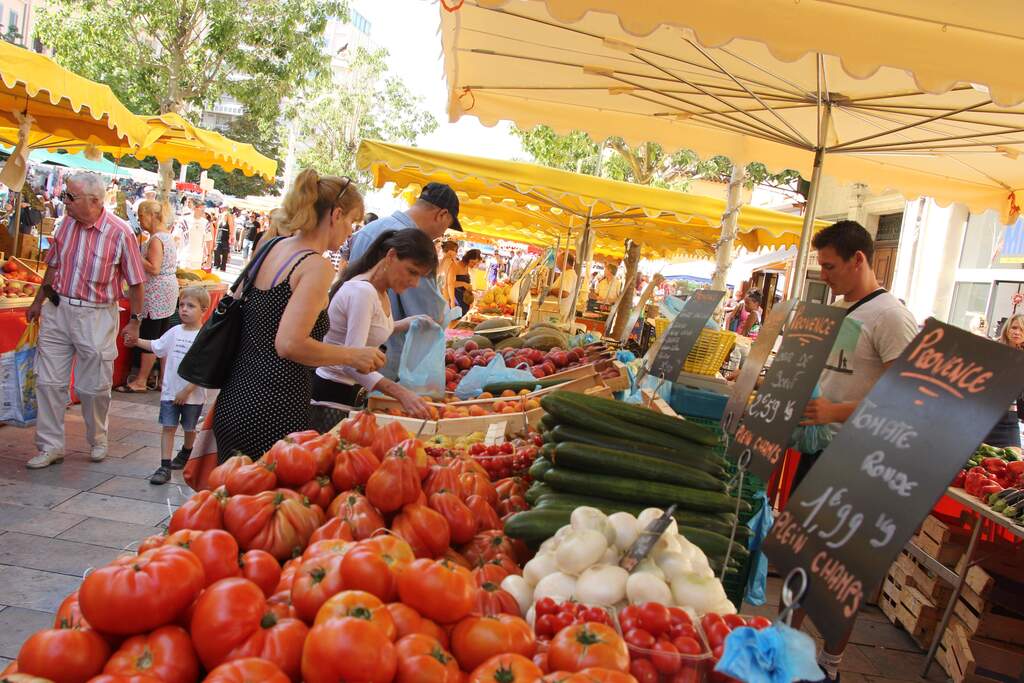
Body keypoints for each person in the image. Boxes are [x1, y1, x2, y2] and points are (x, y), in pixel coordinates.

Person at [798, 219, 918, 682]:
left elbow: (905, 396)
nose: (823, 275)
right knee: (800, 554)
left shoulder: (891, 316)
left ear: (859, 259)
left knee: (839, 569)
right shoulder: (843, 310)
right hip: (818, 451)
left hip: (859, 463)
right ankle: (785, 642)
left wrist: (837, 412)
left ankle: (831, 664)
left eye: (829, 266)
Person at [211, 169, 385, 461]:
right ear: (336, 215)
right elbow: (290, 344)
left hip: (236, 396)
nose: (350, 232)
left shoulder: (274, 246)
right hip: (275, 406)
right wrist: (353, 355)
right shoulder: (315, 266)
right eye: (352, 222)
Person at [25, 172, 146, 469]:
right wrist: (38, 301)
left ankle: (98, 438)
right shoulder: (65, 224)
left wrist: (135, 320)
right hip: (58, 309)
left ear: (94, 201)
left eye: (70, 196)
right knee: (49, 381)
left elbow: (136, 281)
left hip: (96, 314)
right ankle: (50, 445)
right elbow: (53, 265)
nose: (64, 201)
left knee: (92, 387)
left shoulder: (120, 233)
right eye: (65, 195)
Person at [313, 229, 438, 426]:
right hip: (333, 398)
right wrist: (400, 393)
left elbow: (369, 328)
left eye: (419, 277)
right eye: (412, 272)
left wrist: (405, 323)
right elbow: (352, 362)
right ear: (391, 256)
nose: (414, 283)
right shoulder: (363, 292)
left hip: (349, 394)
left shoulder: (379, 290)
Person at [346, 182, 462, 379]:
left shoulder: (369, 230)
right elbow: (429, 314)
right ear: (441, 215)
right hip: (385, 364)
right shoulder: (415, 246)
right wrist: (447, 315)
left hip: (358, 360)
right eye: (447, 226)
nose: (443, 234)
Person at [124, 286, 210, 484]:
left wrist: (187, 390)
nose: (184, 310)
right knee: (168, 427)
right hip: (170, 393)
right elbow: (156, 346)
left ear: (203, 310)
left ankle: (187, 452)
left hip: (192, 396)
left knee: (189, 428)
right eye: (181, 305)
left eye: (191, 306)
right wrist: (136, 341)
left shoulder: (204, 337)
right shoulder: (174, 331)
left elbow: (203, 369)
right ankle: (164, 465)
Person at [116, 200, 178, 393]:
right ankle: (155, 378)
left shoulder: (156, 239)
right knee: (158, 333)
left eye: (141, 216)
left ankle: (141, 380)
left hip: (156, 293)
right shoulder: (166, 236)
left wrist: (134, 254)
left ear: (151, 216)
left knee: (149, 335)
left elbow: (154, 267)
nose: (140, 221)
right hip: (166, 291)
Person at [982, 314, 1023, 448]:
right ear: (1007, 329)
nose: (1017, 332)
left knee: (1015, 460)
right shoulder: (992, 348)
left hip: (1009, 417)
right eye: (1014, 327)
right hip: (985, 413)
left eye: (1022, 329)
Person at [449, 249, 482, 317]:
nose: (473, 265)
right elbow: (450, 284)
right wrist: (463, 284)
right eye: (472, 262)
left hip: (464, 300)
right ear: (467, 258)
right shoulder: (456, 266)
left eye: (475, 263)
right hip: (456, 300)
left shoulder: (466, 267)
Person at [177, 200, 209, 269]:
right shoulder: (184, 220)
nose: (203, 212)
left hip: (198, 259)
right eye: (202, 209)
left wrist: (208, 256)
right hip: (185, 257)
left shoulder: (206, 223)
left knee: (194, 279)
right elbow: (176, 237)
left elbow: (208, 240)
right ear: (194, 208)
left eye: (204, 210)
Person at [552, 252, 578, 321]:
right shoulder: (566, 273)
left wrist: (550, 291)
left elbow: (565, 293)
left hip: (561, 315)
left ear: (565, 261)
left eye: (558, 261)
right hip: (560, 313)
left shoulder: (569, 274)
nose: (557, 264)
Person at [437, 240, 459, 308]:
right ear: (451, 251)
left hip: (434, 295)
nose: (456, 253)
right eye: (456, 251)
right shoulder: (450, 263)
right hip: (444, 298)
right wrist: (452, 301)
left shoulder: (438, 259)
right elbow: (450, 284)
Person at [213, 206, 234, 271]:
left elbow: (231, 230)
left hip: (225, 239)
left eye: (225, 215)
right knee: (216, 252)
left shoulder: (229, 223)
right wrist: (215, 239)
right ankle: (217, 264)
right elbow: (217, 230)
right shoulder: (220, 222)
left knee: (225, 254)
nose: (224, 216)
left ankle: (223, 267)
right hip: (219, 239)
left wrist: (230, 239)